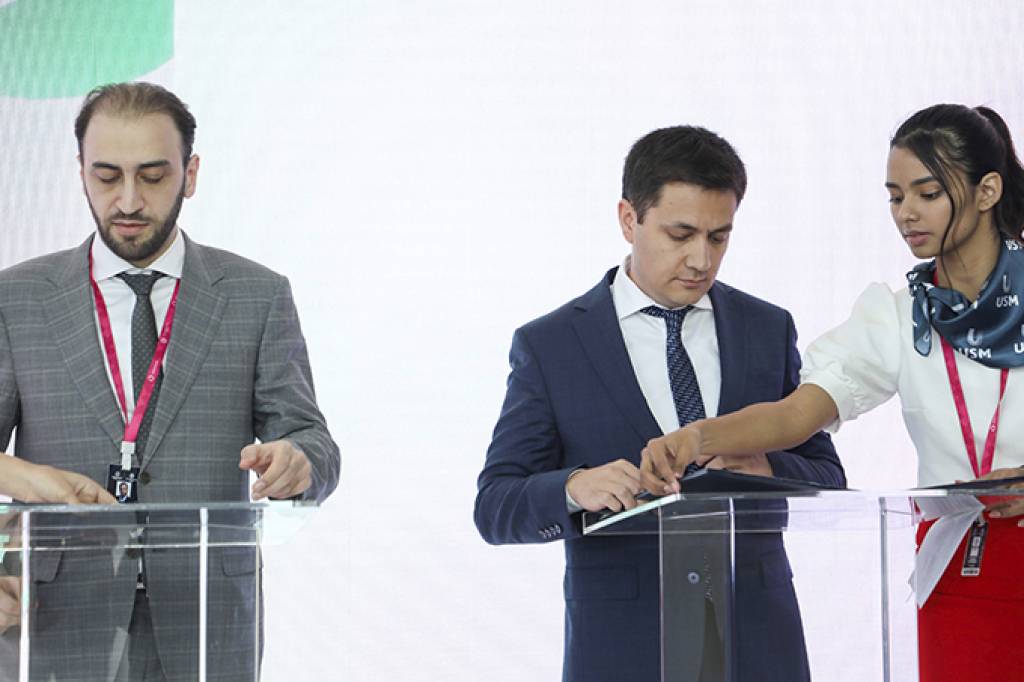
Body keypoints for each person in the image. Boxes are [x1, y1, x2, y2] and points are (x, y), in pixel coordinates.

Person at [640, 104, 1024, 682]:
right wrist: (698, 437)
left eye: (927, 193)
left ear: (988, 190)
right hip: (955, 566)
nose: (906, 213)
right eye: (895, 197)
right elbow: (797, 413)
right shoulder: (896, 317)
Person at [474, 126, 844, 682]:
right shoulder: (551, 345)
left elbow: (827, 473)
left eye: (719, 237)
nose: (701, 259)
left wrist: (767, 469)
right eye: (681, 234)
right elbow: (495, 506)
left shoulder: (766, 328)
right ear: (629, 219)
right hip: (624, 649)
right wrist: (573, 487)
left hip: (760, 643)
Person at [0, 82, 341, 681]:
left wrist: (299, 462)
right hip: (51, 620)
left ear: (191, 174)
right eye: (107, 176)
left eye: (153, 176)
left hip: (207, 622)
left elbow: (313, 440)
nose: (129, 200)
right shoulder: (16, 298)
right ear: (80, 172)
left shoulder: (256, 296)